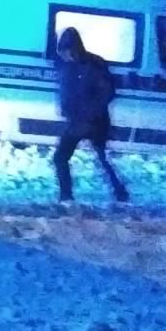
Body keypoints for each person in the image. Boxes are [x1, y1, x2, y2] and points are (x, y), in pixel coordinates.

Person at [53, 26, 129, 203]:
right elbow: (67, 91)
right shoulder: (71, 66)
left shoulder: (93, 65)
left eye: (66, 51)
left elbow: (107, 92)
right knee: (100, 157)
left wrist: (87, 115)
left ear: (73, 49)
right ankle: (120, 192)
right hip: (83, 120)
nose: (64, 56)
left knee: (62, 157)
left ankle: (66, 196)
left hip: (92, 121)